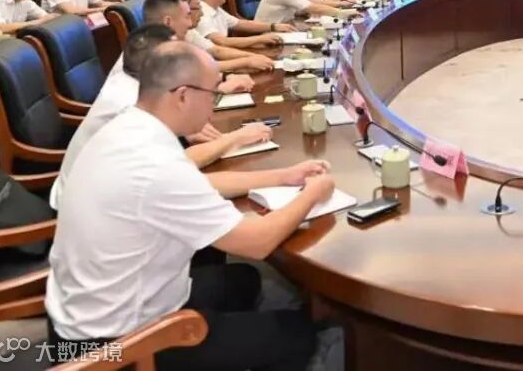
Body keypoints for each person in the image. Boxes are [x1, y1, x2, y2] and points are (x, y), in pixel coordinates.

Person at [46, 41, 334, 370]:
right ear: (182, 95)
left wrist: (283, 176)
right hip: (117, 346)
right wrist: (313, 193)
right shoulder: (155, 164)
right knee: (299, 336)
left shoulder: (131, 126)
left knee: (243, 280)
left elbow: (196, 185)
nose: (214, 103)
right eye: (212, 93)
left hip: (86, 313)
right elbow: (257, 242)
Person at [51, 25, 273, 211]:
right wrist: (235, 138)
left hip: (108, 198)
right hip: (89, 212)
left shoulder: (140, 86)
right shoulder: (130, 105)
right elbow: (181, 164)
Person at [146, 0, 273, 74]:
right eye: (187, 16)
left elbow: (212, 53)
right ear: (168, 21)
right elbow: (197, 69)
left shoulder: (180, 35)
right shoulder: (155, 51)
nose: (190, 24)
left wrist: (250, 59)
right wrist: (245, 62)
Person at [193, 0, 295, 49]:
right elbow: (221, 42)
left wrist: (274, 26)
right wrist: (260, 39)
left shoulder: (216, 9)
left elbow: (241, 24)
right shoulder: (202, 14)